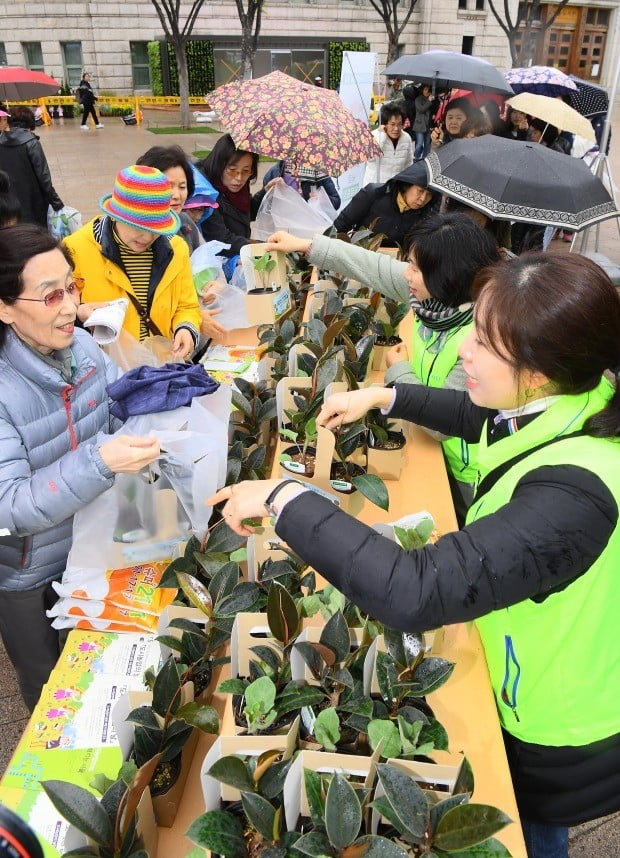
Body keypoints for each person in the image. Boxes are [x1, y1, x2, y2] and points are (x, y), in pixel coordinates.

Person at [209, 251, 620, 858]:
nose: (464, 353)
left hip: (555, 719)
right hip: (524, 660)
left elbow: (413, 590)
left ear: (536, 370)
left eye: (482, 342)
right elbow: (479, 418)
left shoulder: (576, 494)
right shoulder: (577, 394)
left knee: (526, 833)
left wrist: (282, 496)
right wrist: (384, 397)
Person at [0, 223, 160, 710]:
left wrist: (156, 396)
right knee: (53, 690)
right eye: (50, 296)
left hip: (97, 541)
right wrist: (100, 460)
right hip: (30, 573)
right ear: (5, 308)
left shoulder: (84, 347)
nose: (71, 306)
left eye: (72, 287)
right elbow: (9, 506)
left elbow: (113, 412)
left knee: (110, 668)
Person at [266, 212, 500, 522]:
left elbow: (445, 422)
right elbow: (372, 266)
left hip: (464, 472)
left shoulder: (483, 338)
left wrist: (398, 370)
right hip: (422, 444)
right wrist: (306, 246)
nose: (406, 275)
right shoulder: (434, 302)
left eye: (415, 269)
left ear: (446, 276)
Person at [64, 165, 202, 357]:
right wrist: (79, 315)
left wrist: (185, 329)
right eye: (137, 226)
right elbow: (55, 315)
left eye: (155, 228)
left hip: (160, 366)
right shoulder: (75, 249)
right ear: (115, 215)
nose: (146, 237)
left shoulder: (176, 250)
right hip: (105, 370)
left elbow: (187, 306)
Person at [333, 161, 439, 248]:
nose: (423, 199)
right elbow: (343, 223)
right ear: (407, 185)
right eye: (420, 191)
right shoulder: (374, 193)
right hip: (361, 254)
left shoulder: (425, 213)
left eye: (429, 195)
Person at [198, 134, 264, 260]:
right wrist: (261, 246)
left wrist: (265, 192)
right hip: (219, 264)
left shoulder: (237, 185)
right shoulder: (205, 193)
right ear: (219, 165)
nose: (239, 178)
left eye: (246, 171)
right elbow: (221, 239)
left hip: (239, 257)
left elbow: (245, 212)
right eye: (232, 170)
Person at [0, 107, 64, 228]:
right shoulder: (31, 142)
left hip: (9, 204)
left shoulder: (1, 142)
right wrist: (57, 204)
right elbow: (44, 177)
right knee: (36, 236)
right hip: (34, 202)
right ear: (29, 124)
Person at [136, 144, 203, 253]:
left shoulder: (185, 221)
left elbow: (204, 257)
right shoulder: (135, 235)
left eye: (182, 187)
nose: (176, 195)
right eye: (167, 187)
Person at [363, 103, 413, 185]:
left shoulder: (406, 138)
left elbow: (409, 164)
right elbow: (370, 158)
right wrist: (381, 136)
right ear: (384, 124)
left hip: (395, 187)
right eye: (392, 124)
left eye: (399, 124)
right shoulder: (374, 136)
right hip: (375, 187)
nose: (396, 128)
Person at [262, 160, 341, 210]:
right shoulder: (276, 172)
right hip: (283, 228)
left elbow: (336, 201)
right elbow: (264, 207)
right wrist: (271, 192)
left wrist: (322, 199)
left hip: (310, 227)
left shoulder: (318, 171)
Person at [411, 85, 434, 161]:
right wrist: (429, 101)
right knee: (419, 144)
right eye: (425, 89)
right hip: (419, 125)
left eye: (428, 90)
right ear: (422, 90)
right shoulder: (418, 99)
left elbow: (433, 111)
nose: (427, 91)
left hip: (428, 125)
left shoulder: (431, 99)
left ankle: (425, 159)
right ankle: (416, 158)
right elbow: (421, 109)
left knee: (427, 144)